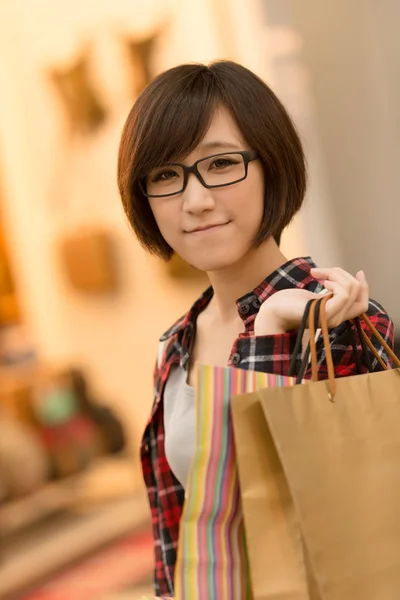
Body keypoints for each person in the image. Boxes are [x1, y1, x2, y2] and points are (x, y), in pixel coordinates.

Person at [117, 61, 394, 597]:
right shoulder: (176, 343)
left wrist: (267, 331)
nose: (195, 201)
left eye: (220, 164)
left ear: (273, 165)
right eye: (165, 176)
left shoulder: (339, 322)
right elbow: (181, 536)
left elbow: (285, 507)